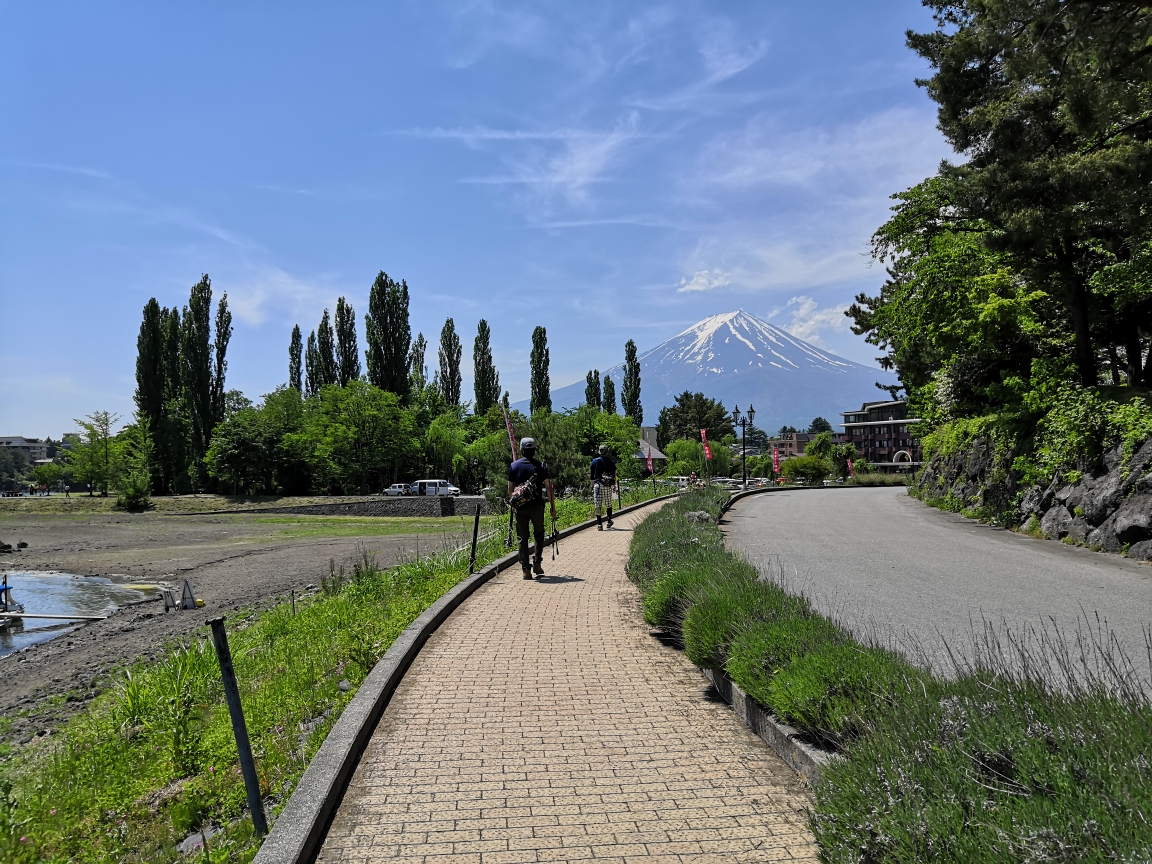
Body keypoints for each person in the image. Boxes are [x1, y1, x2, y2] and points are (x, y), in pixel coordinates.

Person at [507, 437, 556, 579]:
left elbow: (510, 489)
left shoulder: (514, 466)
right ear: (534, 450)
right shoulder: (541, 466)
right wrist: (552, 507)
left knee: (522, 538)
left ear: (522, 450)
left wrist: (514, 504)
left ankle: (525, 570)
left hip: (521, 507)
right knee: (539, 533)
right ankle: (537, 563)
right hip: (537, 506)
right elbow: (548, 487)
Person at [590, 443, 617, 530]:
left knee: (598, 504)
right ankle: (609, 521)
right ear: (607, 452)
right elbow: (613, 475)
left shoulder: (595, 461)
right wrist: (614, 485)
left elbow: (591, 475)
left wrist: (592, 485)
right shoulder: (611, 462)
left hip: (597, 485)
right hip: (607, 485)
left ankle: (599, 524)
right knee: (608, 504)